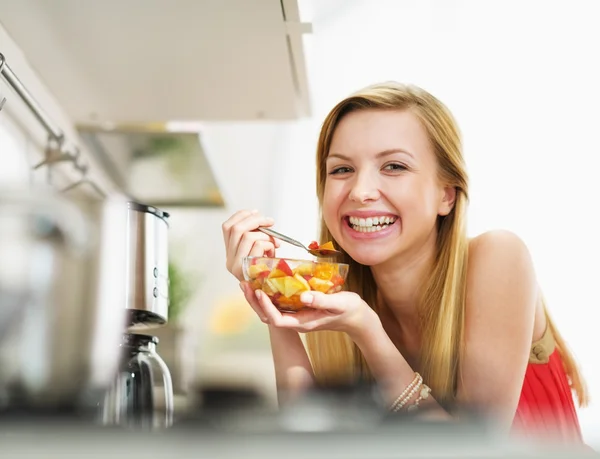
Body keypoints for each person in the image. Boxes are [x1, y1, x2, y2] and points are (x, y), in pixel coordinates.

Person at [221, 82, 588, 444]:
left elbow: (471, 451)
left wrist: (367, 331)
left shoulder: (499, 258)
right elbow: (312, 442)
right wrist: (271, 296)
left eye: (394, 166)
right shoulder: (339, 295)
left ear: (446, 195)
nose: (361, 192)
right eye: (341, 170)